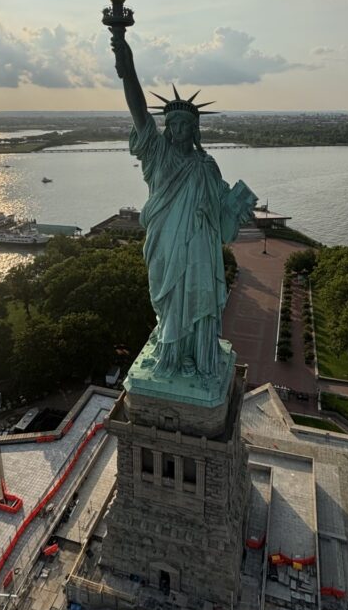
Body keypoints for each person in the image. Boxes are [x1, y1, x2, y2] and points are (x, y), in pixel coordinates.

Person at [110, 28, 256, 382]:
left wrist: (237, 207)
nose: (176, 130)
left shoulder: (206, 166)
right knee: (172, 299)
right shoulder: (156, 154)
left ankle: (195, 354)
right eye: (171, 123)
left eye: (184, 124)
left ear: (195, 130)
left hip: (200, 248)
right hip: (165, 243)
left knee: (198, 296)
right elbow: (138, 108)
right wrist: (123, 52)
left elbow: (222, 211)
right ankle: (172, 353)